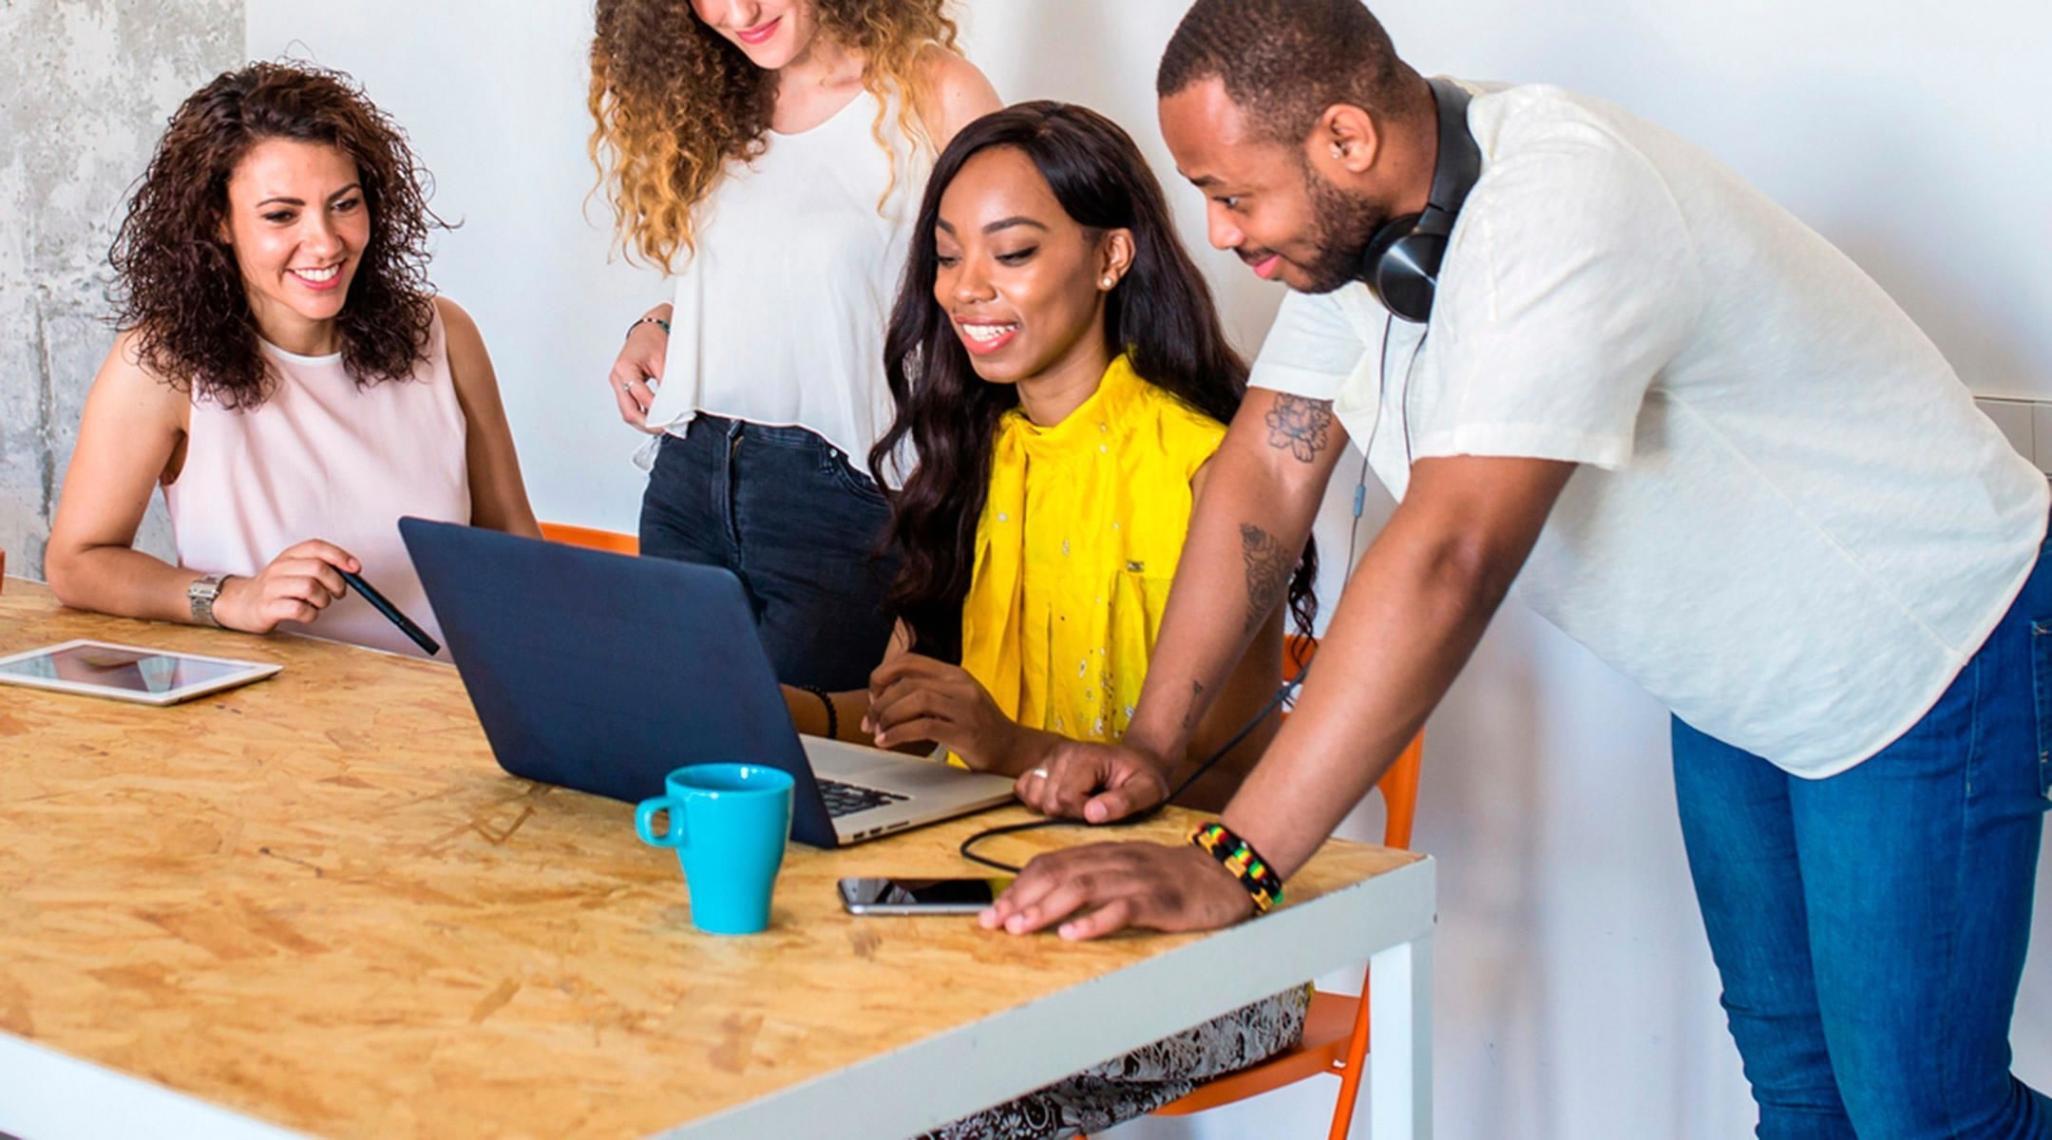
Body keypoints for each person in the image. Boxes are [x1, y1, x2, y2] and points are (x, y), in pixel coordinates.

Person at [984, 2, 2052, 1136]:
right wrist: (1157, 746)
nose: (1216, 232)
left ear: (1345, 139)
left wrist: (1235, 864)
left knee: (1925, 1119)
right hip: (1745, 687)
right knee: (1799, 1096)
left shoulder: (1558, 206)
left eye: (1232, 194)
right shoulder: (1362, 241)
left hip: (1922, 655)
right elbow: (1262, 472)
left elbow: (1450, 555)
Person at [788, 99, 1311, 1140]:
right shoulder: (966, 457)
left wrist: (1015, 745)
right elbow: (910, 712)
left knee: (888, 1102)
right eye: (945, 257)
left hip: (1189, 951)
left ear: (1113, 256)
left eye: (1012, 252)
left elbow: (1238, 783)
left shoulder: (1212, 472)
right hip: (966, 912)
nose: (965, 288)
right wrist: (769, 706)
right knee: (761, 1030)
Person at [45, 62, 538, 657]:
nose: (326, 242)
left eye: (344, 204)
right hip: (261, 724)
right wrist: (232, 598)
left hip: (444, 711)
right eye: (282, 215)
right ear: (217, 221)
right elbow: (77, 564)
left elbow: (516, 546)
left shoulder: (444, 333)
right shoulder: (160, 365)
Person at [587, 0, 1000, 691]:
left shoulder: (936, 93)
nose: (738, 11)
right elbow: (774, 284)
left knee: (806, 773)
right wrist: (660, 324)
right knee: (670, 751)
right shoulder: (710, 96)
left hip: (845, 502)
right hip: (689, 478)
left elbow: (1014, 296)